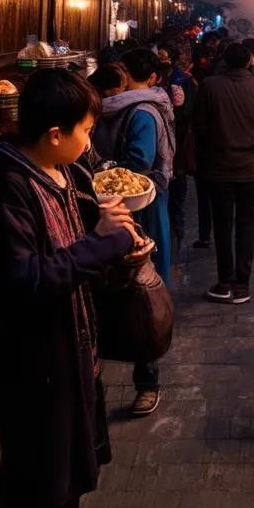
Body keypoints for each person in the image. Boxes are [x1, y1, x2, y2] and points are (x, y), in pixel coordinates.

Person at [0, 69, 138, 508]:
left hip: (72, 357)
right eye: (85, 130)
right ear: (55, 133)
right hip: (36, 367)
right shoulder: (7, 183)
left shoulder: (61, 170)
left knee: (66, 487)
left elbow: (74, 248)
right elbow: (27, 277)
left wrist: (115, 244)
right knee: (41, 493)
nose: (89, 141)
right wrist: (107, 243)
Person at [91, 47, 176, 418]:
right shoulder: (111, 111)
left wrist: (104, 167)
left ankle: (148, 380)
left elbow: (138, 163)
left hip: (141, 206)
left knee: (142, 289)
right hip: (107, 205)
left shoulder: (141, 113)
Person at [193, 42, 254, 304]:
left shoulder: (209, 86)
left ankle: (224, 282)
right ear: (248, 63)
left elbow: (200, 128)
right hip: (250, 170)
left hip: (219, 170)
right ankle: (242, 285)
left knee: (223, 225)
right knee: (245, 225)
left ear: (226, 61)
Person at [165, 44, 198, 248]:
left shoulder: (183, 81)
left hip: (179, 136)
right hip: (169, 138)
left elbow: (189, 112)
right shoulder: (162, 80)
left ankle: (177, 232)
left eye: (164, 55)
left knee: (178, 182)